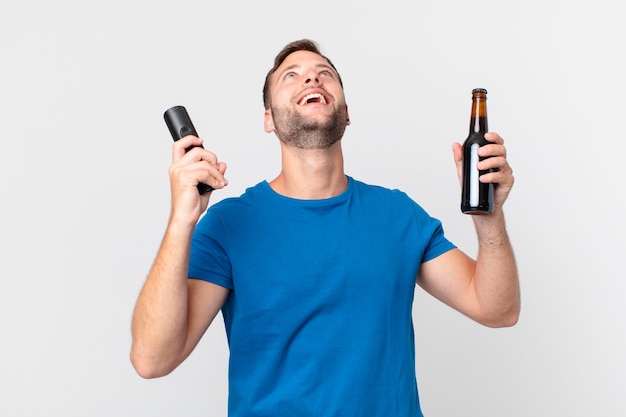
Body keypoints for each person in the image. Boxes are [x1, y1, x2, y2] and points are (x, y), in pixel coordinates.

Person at [130, 39, 520, 417]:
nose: (311, 80)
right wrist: (182, 219)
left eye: (324, 74)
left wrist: (490, 219)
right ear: (268, 118)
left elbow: (496, 309)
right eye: (291, 76)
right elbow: (151, 359)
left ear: (346, 111)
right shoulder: (229, 224)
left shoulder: (397, 214)